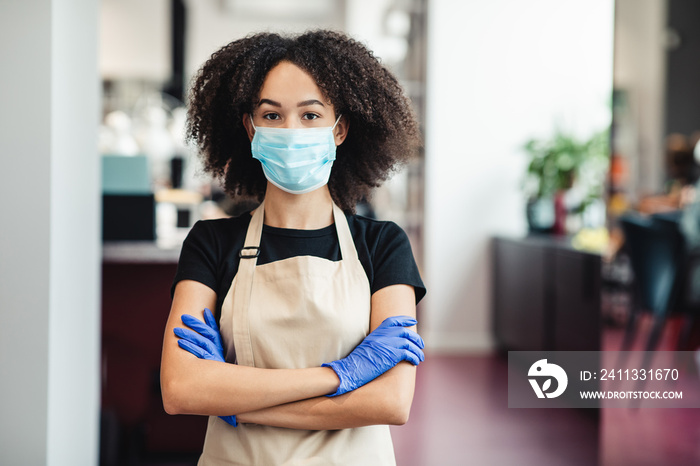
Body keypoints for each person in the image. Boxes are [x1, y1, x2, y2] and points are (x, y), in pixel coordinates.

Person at [160, 30, 427, 465]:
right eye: (271, 116)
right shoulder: (211, 243)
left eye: (309, 116)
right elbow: (180, 390)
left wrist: (233, 398)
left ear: (338, 130)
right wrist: (340, 376)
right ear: (250, 128)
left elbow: (390, 402)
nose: (290, 130)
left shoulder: (382, 245)